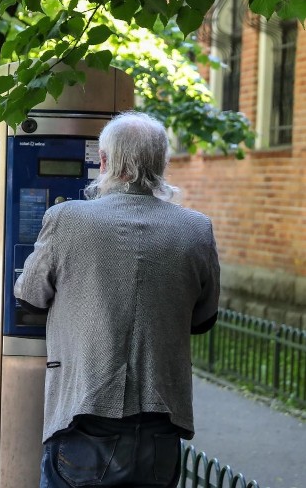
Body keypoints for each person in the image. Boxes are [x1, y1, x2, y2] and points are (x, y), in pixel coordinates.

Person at [14, 111, 220, 488]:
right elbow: (204, 319)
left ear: (104, 161)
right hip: (162, 427)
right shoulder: (196, 228)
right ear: (161, 163)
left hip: (86, 417)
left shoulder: (67, 219)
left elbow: (30, 296)